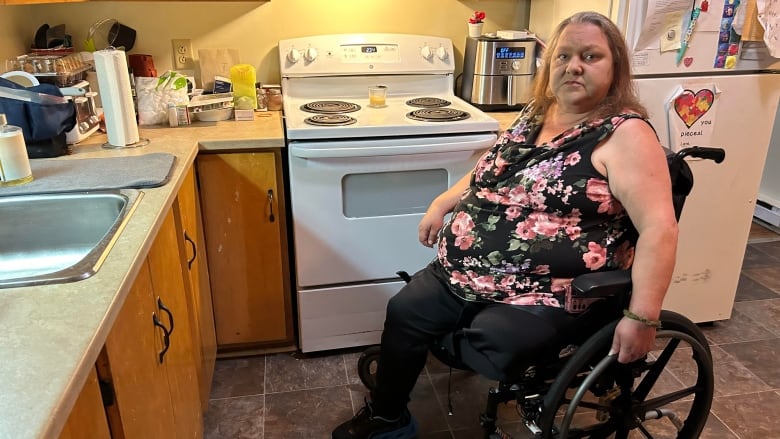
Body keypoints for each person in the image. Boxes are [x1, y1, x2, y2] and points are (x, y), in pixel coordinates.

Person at [333, 10, 679, 439]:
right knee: (404, 310)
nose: (574, 66)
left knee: (490, 343)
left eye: (591, 56)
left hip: (548, 292)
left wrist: (643, 316)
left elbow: (660, 229)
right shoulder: (538, 112)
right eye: (564, 56)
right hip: (465, 274)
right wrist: (443, 201)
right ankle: (388, 418)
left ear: (615, 69)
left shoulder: (624, 135)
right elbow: (490, 168)